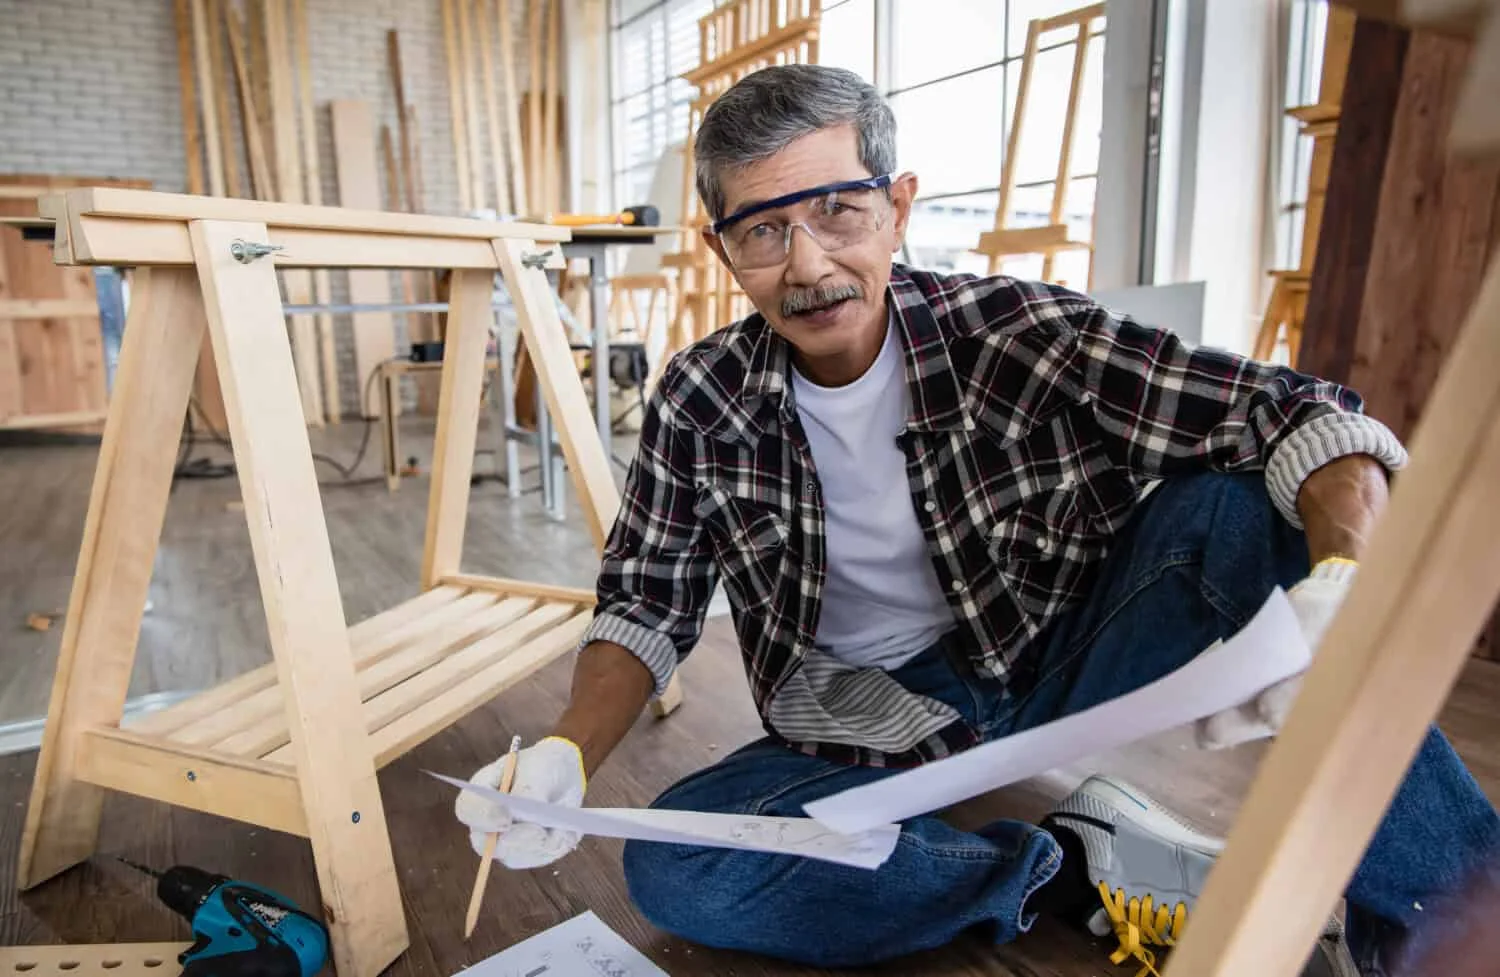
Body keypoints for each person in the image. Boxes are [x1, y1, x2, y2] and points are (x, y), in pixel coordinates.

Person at [455, 64, 1499, 975]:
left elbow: (1297, 413)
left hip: (1059, 661)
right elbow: (648, 597)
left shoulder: (1016, 332)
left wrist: (1343, 582)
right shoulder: (701, 396)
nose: (809, 263)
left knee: (1236, 506)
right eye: (764, 229)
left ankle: (1449, 916)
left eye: (840, 213)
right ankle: (1066, 865)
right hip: (856, 725)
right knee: (680, 868)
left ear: (899, 206)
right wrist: (566, 755)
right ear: (721, 246)